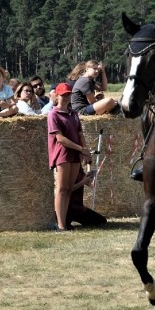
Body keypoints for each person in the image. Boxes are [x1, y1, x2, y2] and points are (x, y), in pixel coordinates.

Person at [47, 83, 91, 231]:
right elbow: (59, 138)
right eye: (64, 94)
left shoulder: (74, 113)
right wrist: (81, 149)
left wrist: (85, 150)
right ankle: (60, 225)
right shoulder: (53, 114)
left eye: (68, 94)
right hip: (62, 153)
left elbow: (80, 134)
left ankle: (64, 223)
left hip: (75, 154)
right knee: (61, 189)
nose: (66, 97)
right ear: (57, 96)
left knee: (68, 189)